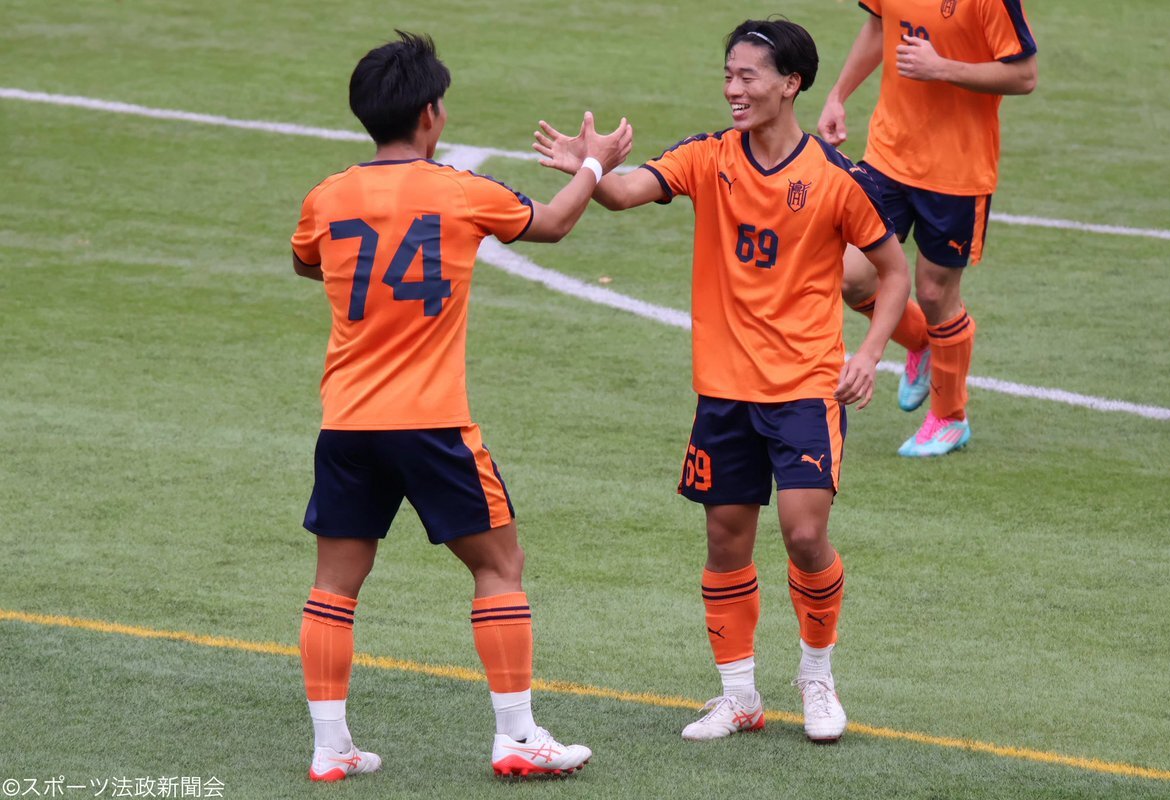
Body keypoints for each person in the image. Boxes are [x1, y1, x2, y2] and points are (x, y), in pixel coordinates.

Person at [535, 18, 910, 743]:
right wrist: (590, 168)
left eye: (747, 76)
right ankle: (739, 696)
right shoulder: (707, 156)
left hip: (805, 387)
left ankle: (817, 676)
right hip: (724, 390)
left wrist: (868, 354)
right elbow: (624, 193)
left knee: (805, 534)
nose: (733, 88)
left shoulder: (836, 179)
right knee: (725, 541)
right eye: (728, 75)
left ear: (790, 84)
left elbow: (893, 273)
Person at [289, 31, 631, 780]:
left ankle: (329, 748)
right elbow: (554, 222)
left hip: (347, 424)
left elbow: (307, 260)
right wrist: (595, 162)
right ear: (430, 115)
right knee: (500, 565)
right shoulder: (462, 193)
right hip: (432, 424)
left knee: (334, 585)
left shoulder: (326, 196)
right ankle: (517, 736)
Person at [818, 0, 1038, 457]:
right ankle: (922, 342)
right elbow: (879, 27)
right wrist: (838, 94)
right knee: (850, 275)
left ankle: (950, 418)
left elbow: (1023, 75)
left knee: (936, 294)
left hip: (958, 170)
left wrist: (941, 68)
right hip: (888, 154)